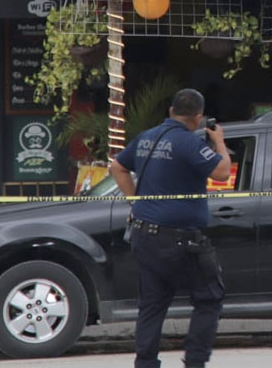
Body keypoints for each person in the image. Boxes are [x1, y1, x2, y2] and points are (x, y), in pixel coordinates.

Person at [109, 89, 232, 368]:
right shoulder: (188, 143)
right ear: (198, 117)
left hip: (144, 235)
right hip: (179, 240)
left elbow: (117, 167)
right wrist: (219, 142)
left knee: (152, 305)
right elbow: (223, 173)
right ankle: (196, 361)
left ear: (170, 111)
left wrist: (136, 202)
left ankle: (146, 363)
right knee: (209, 297)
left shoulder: (147, 137)